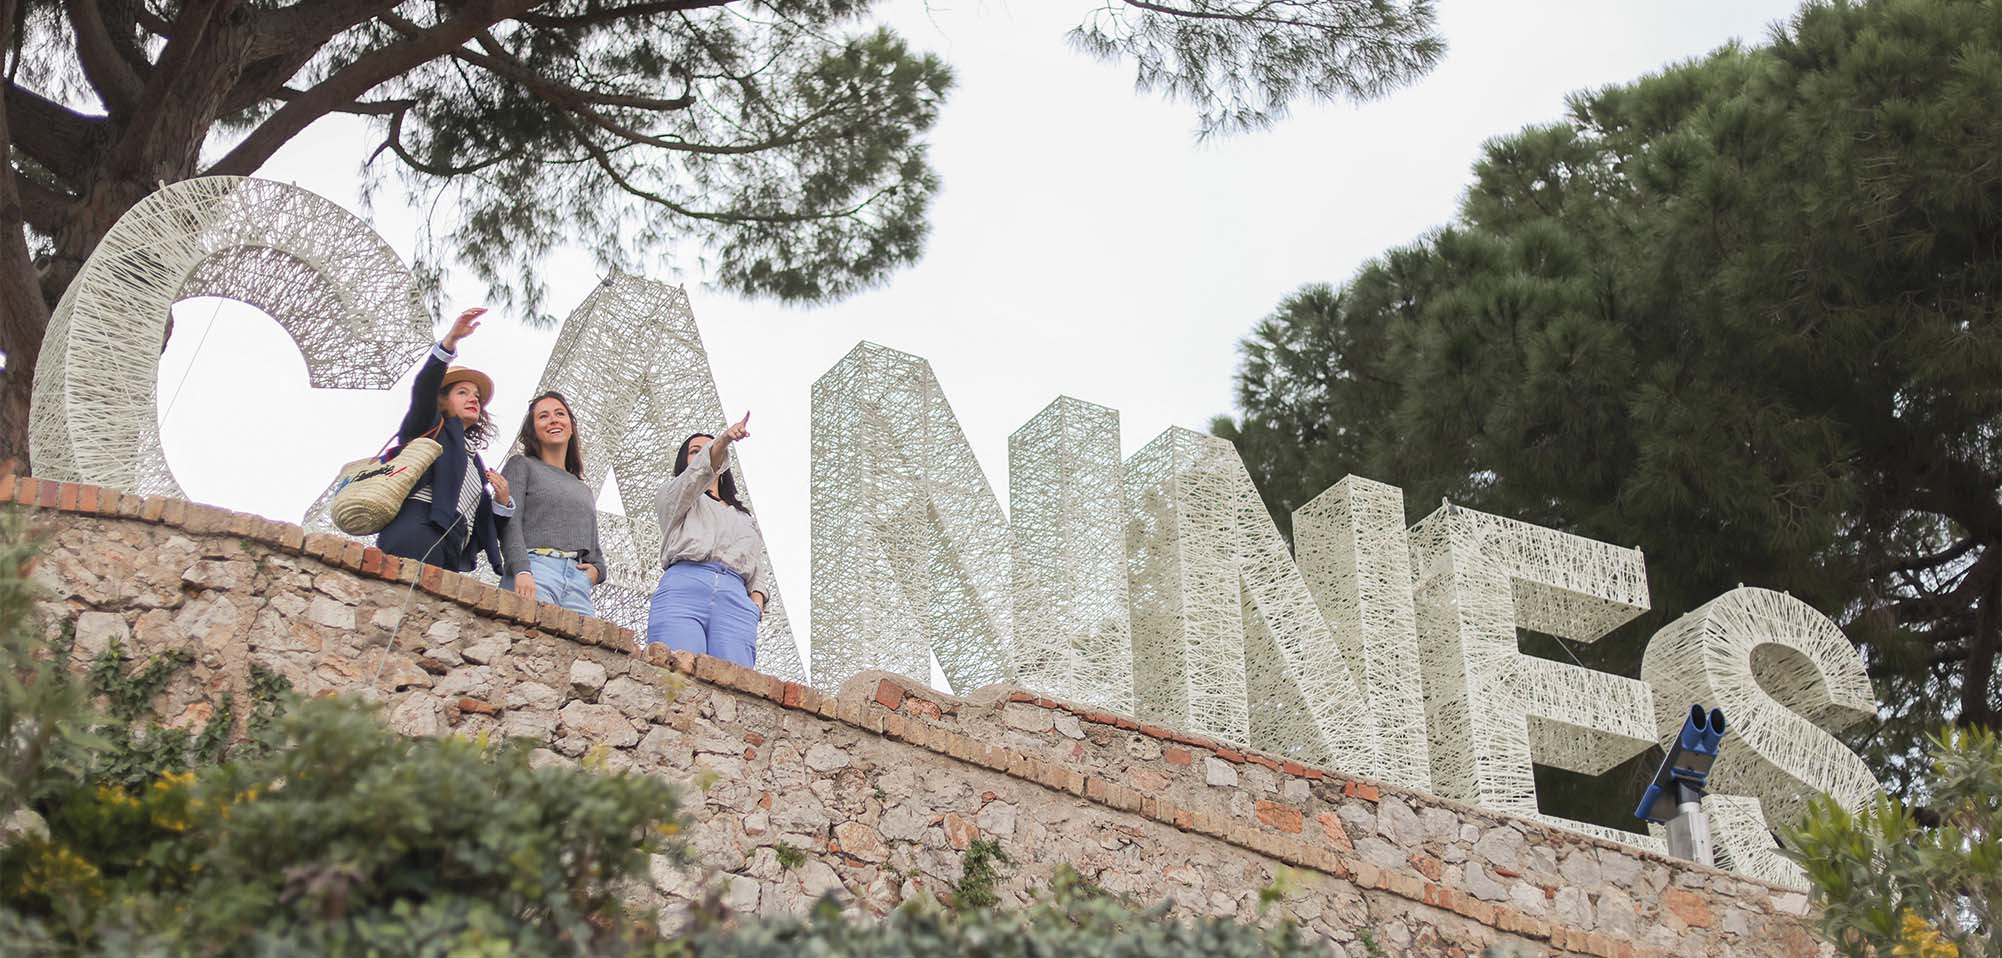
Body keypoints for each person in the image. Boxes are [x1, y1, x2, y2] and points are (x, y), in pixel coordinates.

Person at [375, 307, 512, 574]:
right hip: (419, 531)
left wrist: (503, 502)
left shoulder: (473, 460)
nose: (474, 399)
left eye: (476, 396)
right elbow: (424, 388)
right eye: (462, 392)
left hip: (452, 545)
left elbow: (484, 526)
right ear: (442, 401)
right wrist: (450, 342)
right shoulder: (430, 429)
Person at [646, 413, 768, 666]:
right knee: (676, 675)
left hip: (735, 599)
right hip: (685, 587)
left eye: (707, 449)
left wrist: (755, 604)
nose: (703, 454)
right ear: (684, 461)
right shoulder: (673, 498)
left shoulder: (743, 517)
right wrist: (722, 440)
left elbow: (757, 565)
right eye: (694, 451)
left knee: (736, 686)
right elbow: (695, 477)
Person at [499, 391, 607, 615]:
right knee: (530, 644)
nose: (554, 420)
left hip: (577, 582)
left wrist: (595, 572)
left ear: (570, 425)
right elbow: (510, 522)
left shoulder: (582, 488)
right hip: (536, 569)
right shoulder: (522, 466)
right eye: (543, 416)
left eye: (560, 413)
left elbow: (594, 548)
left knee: (580, 649)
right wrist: (521, 570)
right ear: (533, 430)